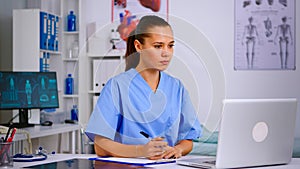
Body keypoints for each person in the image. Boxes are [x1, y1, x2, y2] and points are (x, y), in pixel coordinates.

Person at [85, 15, 201, 160]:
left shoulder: (176, 87)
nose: (166, 53)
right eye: (158, 46)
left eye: (170, 46)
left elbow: (188, 138)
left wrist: (178, 149)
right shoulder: (117, 86)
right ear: (139, 47)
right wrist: (140, 151)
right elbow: (100, 146)